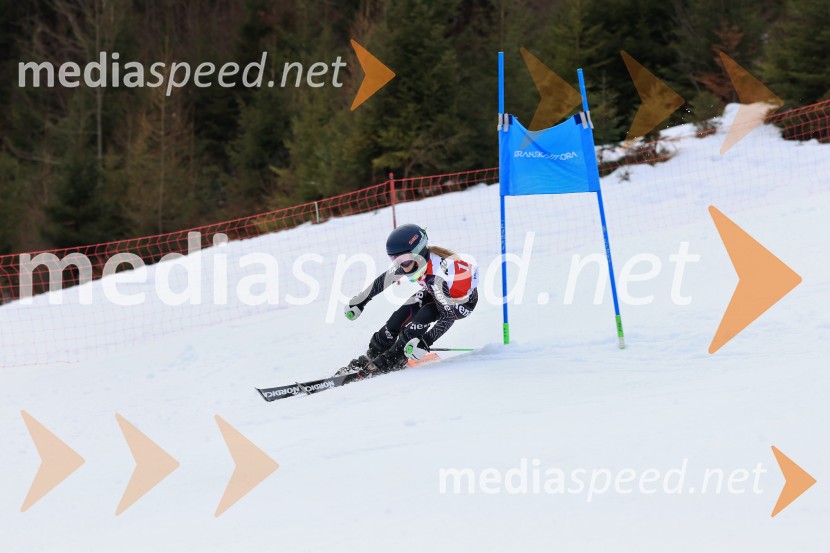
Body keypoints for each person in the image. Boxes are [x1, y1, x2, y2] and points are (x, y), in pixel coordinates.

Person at [336, 223, 479, 376]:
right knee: (398, 318)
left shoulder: (437, 278)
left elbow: (448, 317)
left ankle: (393, 359)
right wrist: (361, 300)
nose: (401, 267)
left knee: (423, 316)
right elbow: (386, 279)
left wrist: (425, 342)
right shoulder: (413, 262)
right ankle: (372, 355)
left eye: (403, 261)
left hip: (460, 302)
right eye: (395, 260)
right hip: (435, 291)